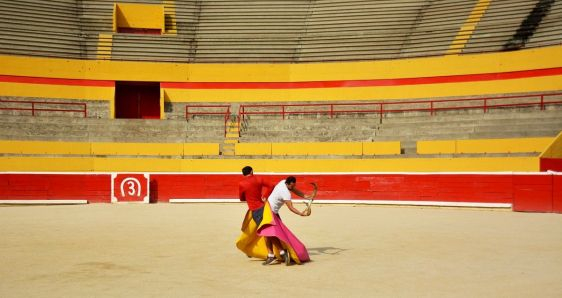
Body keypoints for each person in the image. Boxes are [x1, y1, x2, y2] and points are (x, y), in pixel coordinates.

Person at [258, 176, 317, 266]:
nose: (293, 188)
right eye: (292, 186)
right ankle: (279, 253)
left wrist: (306, 196)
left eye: (294, 185)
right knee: (269, 233)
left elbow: (295, 190)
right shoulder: (285, 193)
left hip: (270, 210)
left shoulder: (283, 182)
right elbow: (291, 207)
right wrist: (300, 213)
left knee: (268, 233)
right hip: (269, 211)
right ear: (288, 183)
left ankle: (275, 254)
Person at [235, 166, 275, 260]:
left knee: (259, 231)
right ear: (252, 171)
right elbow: (271, 185)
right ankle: (251, 249)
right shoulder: (259, 179)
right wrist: (265, 196)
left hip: (254, 210)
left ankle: (270, 253)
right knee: (261, 231)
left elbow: (242, 198)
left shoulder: (242, 184)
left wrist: (249, 197)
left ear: (243, 174)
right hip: (263, 208)